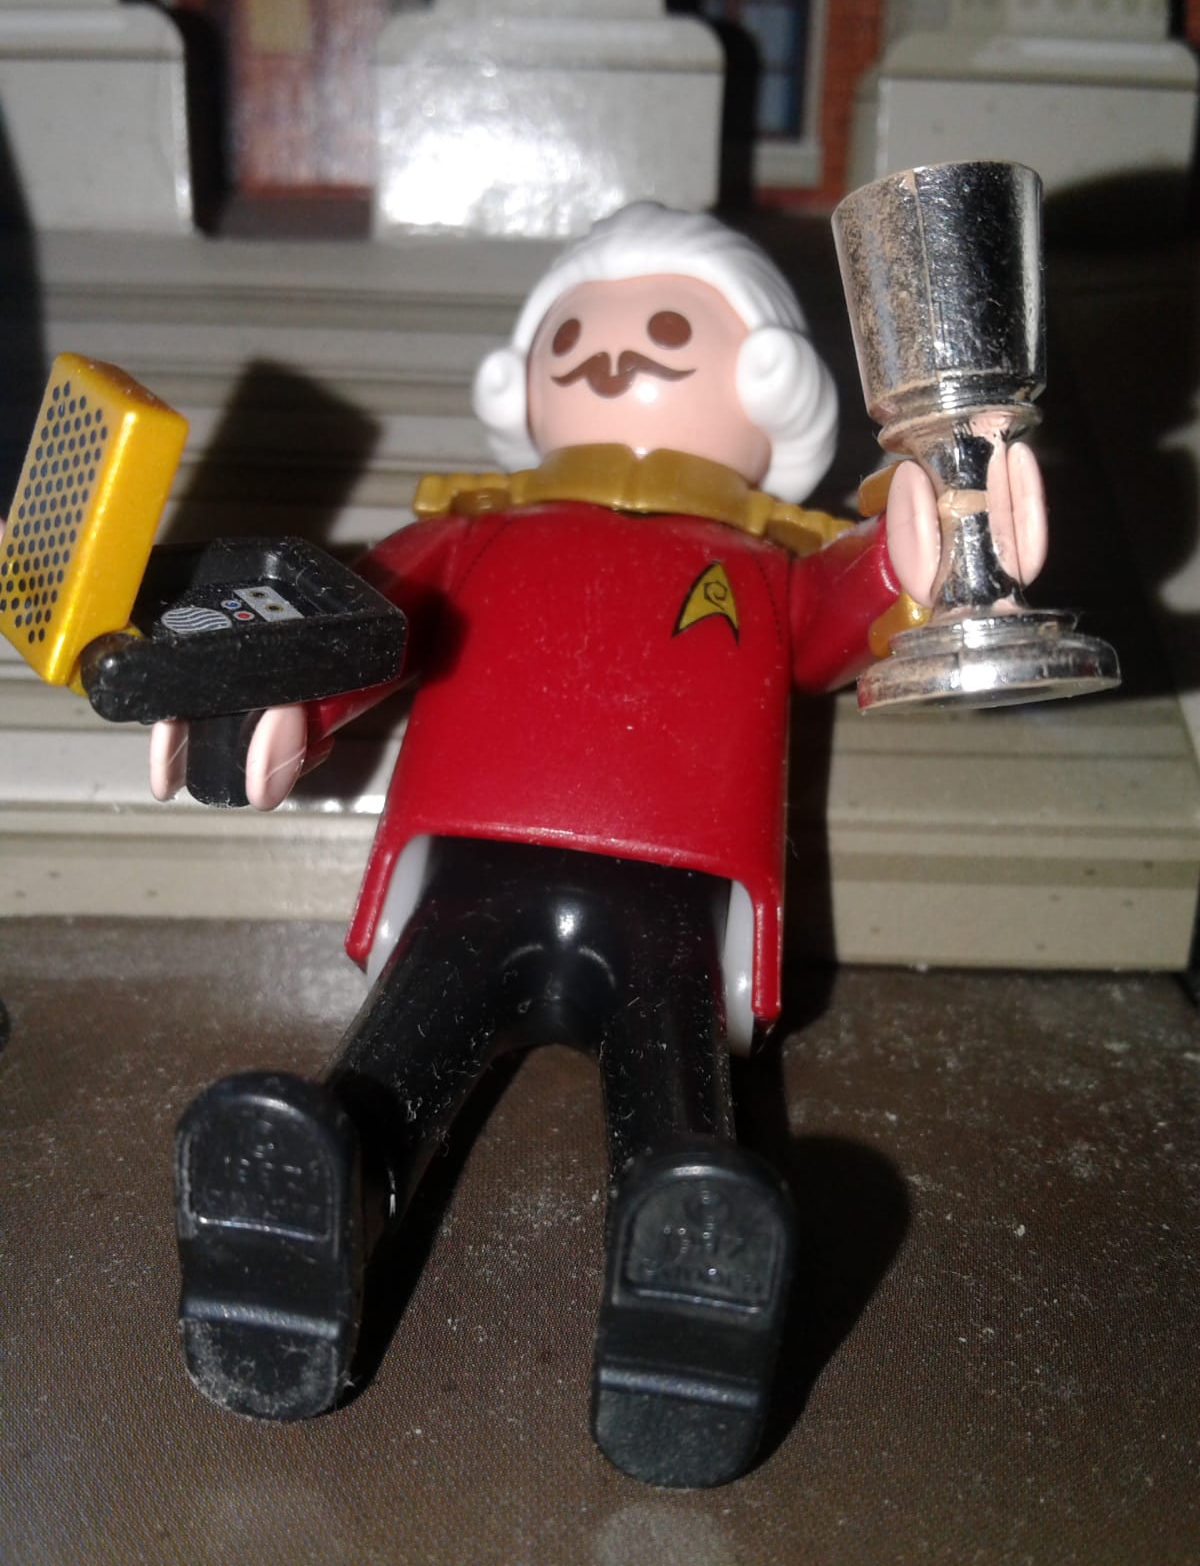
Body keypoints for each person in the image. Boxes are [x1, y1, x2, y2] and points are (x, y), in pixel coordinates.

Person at [159, 203, 1048, 1488]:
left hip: (673, 884)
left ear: (771, 381)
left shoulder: (770, 561)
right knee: (406, 1033)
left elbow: (853, 611)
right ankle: (317, 1190)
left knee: (673, 1067)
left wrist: (941, 543)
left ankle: (690, 1257)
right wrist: (274, 698)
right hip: (475, 858)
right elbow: (358, 621)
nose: (614, 356)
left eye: (671, 329)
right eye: (571, 335)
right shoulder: (472, 527)